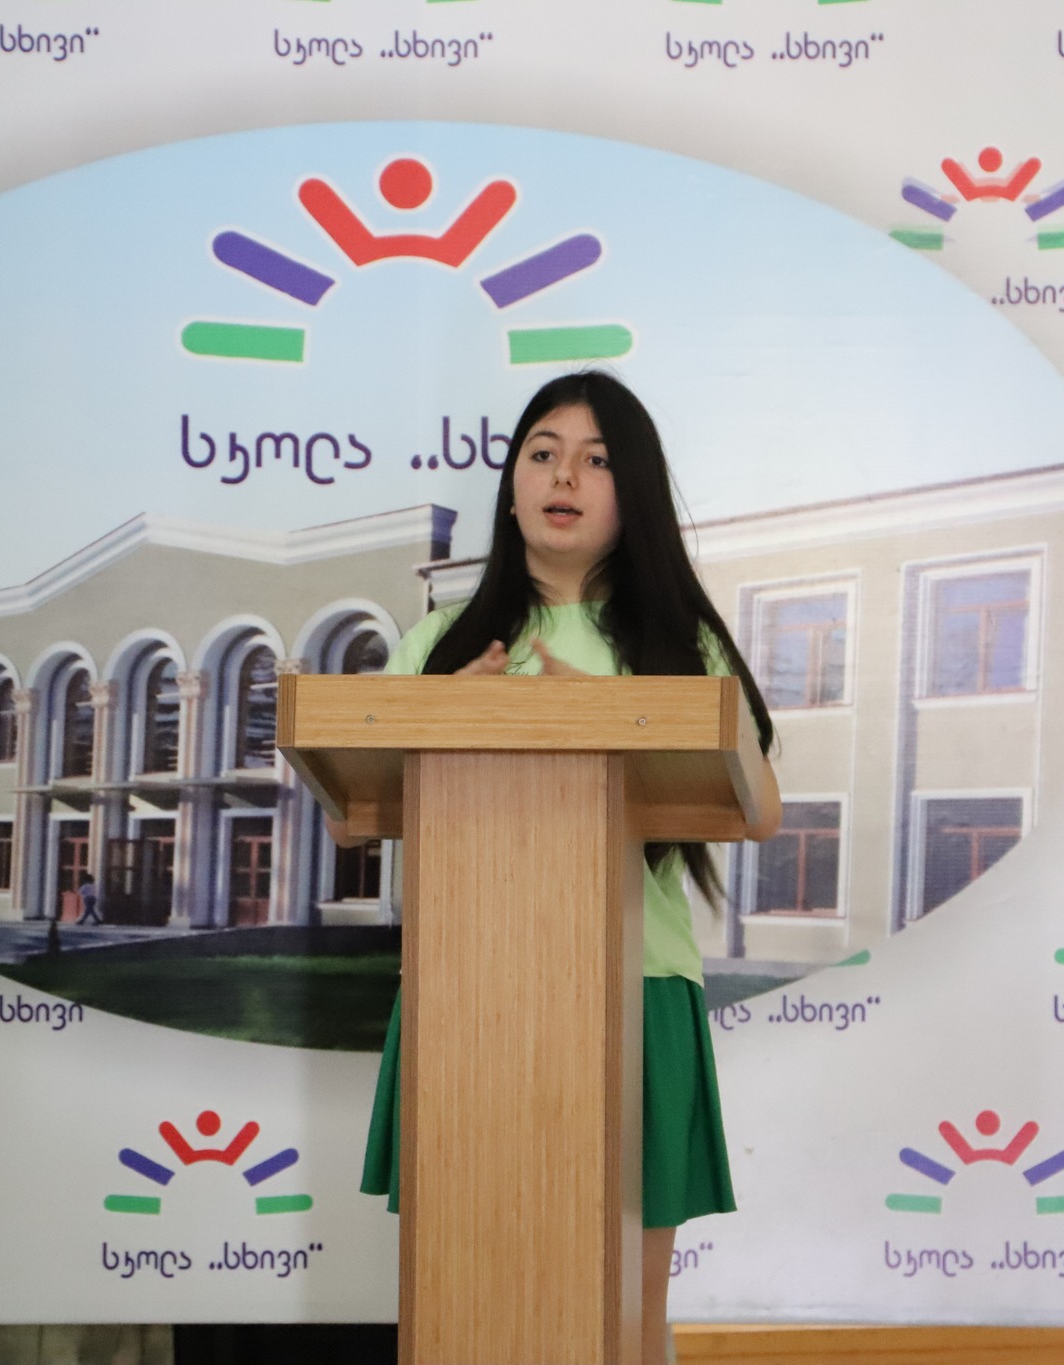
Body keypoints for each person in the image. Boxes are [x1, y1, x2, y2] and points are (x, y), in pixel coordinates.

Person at [346, 370, 780, 1363]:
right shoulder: (439, 643)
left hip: (635, 991)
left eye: (596, 459)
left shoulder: (682, 646)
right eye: (542, 453)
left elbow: (759, 808)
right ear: (511, 490)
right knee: (466, 1301)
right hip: (466, 1002)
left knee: (619, 1315)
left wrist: (616, 715)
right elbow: (355, 809)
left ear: (634, 496)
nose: (564, 475)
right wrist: (443, 716)